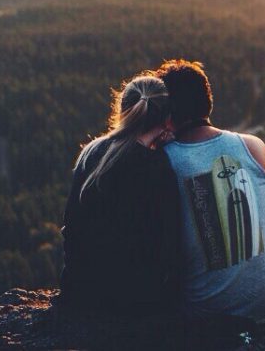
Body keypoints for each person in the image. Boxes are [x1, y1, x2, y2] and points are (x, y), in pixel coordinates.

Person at [156, 59, 265, 323]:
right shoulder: (254, 147)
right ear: (208, 102)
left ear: (166, 112)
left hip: (209, 310)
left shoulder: (164, 160)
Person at [57, 73, 181, 315]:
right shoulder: (158, 166)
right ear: (167, 118)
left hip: (81, 290)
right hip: (135, 299)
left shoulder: (92, 152)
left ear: (123, 110)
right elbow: (170, 242)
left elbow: (71, 226)